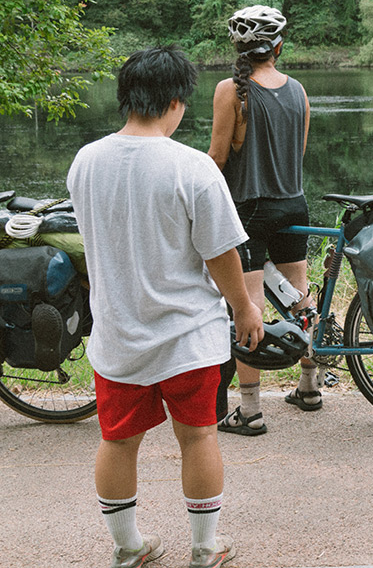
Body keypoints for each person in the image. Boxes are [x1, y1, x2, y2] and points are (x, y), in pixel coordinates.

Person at [66, 46, 264, 568]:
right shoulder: (192, 167)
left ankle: (128, 546)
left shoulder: (86, 160)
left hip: (118, 336)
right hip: (187, 336)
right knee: (198, 436)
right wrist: (244, 308)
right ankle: (205, 547)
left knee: (117, 441)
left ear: (126, 98)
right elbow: (221, 253)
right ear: (176, 102)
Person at [208, 5, 315, 436]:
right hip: (293, 203)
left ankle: (250, 411)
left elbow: (216, 157)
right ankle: (309, 387)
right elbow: (299, 154)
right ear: (279, 47)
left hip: (249, 208)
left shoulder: (231, 90)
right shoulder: (299, 91)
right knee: (299, 298)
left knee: (247, 307)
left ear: (237, 47)